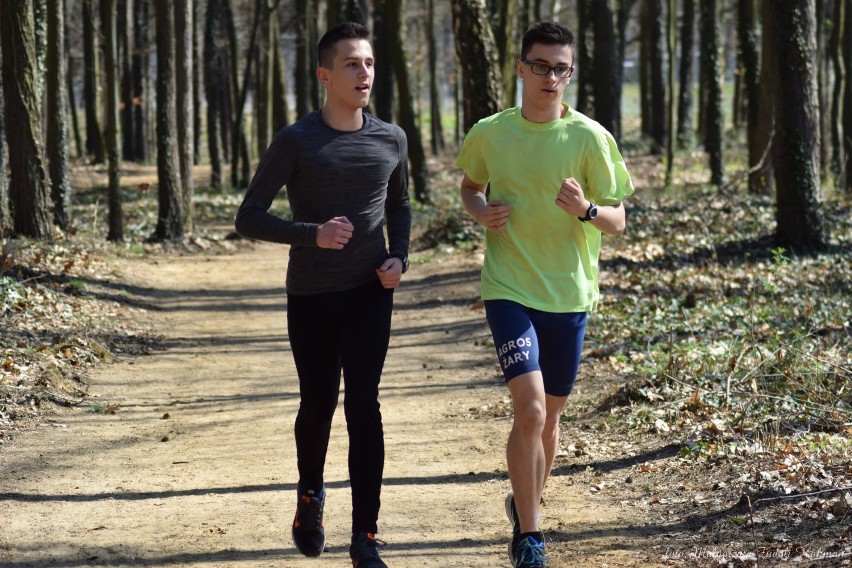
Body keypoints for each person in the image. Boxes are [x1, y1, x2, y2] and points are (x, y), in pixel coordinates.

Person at [455, 21, 634, 568]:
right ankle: (529, 537)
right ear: (520, 68)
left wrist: (585, 210)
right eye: (540, 66)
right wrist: (480, 210)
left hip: (570, 294)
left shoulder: (590, 138)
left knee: (550, 418)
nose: (550, 78)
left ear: (570, 74)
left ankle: (524, 500)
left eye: (560, 69)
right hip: (509, 288)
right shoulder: (491, 132)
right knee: (529, 411)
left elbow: (618, 219)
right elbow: (469, 185)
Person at [234, 22, 410, 568]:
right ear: (324, 75)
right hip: (311, 294)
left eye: (370, 64)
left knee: (364, 404)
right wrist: (312, 233)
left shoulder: (391, 138)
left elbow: (401, 207)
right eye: (353, 64)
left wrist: (398, 257)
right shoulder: (296, 141)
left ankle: (366, 537)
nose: (364, 73)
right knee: (318, 404)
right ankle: (310, 495)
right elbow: (249, 218)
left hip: (367, 293)